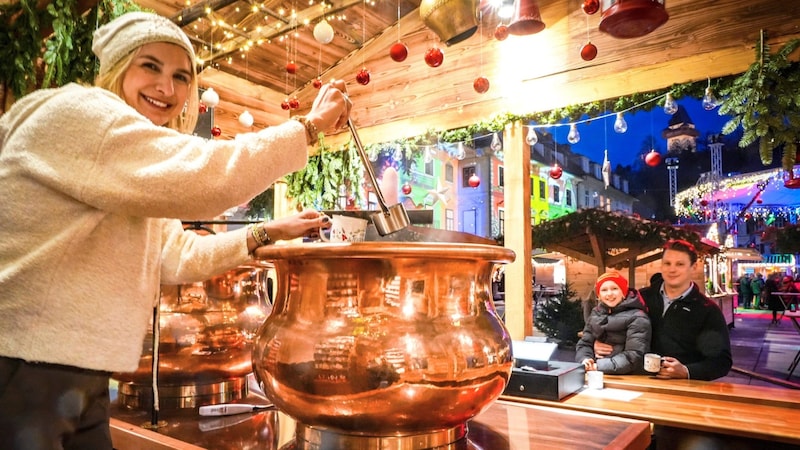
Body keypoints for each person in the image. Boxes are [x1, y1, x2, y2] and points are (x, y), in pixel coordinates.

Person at [0, 12, 352, 450]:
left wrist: (266, 232)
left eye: (181, 76)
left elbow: (176, 254)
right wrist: (310, 127)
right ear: (116, 67)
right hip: (21, 362)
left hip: (75, 370)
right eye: (150, 66)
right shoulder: (85, 115)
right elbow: (209, 176)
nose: (166, 88)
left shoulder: (128, 165)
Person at [595, 239, 731, 381]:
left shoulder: (707, 310)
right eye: (667, 263)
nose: (672, 269)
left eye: (680, 264)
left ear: (694, 267)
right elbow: (609, 324)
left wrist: (686, 371)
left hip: (679, 391)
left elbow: (721, 362)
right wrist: (597, 342)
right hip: (633, 381)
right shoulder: (639, 298)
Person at [575, 271, 651, 375]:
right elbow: (585, 343)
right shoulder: (595, 313)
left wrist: (599, 366)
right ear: (599, 296)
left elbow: (634, 355)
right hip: (596, 372)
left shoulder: (638, 317)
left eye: (615, 288)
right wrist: (585, 359)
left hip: (628, 376)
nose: (609, 293)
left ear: (623, 292)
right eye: (604, 290)